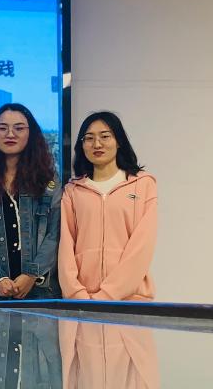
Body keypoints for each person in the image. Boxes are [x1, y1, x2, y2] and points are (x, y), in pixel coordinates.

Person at [59, 111, 157, 301]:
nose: (97, 144)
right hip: (82, 300)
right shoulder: (72, 191)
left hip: (131, 299)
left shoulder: (144, 184)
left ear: (119, 141)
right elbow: (66, 248)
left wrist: (107, 295)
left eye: (105, 136)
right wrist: (77, 295)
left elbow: (142, 246)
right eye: (89, 138)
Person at [0, 103, 62, 301]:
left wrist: (31, 274)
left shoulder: (49, 182)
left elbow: (55, 234)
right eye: (3, 128)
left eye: (19, 128)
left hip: (42, 292)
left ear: (31, 134)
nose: (10, 134)